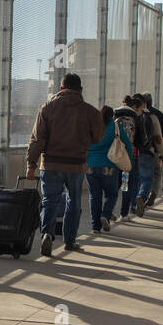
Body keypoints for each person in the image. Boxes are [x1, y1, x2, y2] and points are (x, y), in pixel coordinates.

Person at [26, 73, 103, 256]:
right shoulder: (90, 111)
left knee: (49, 201)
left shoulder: (47, 108)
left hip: (51, 163)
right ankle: (69, 241)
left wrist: (31, 164)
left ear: (60, 89)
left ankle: (47, 235)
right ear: (81, 90)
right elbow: (98, 137)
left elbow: (37, 139)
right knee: (74, 201)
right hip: (76, 165)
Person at [86, 105, 132, 232]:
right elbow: (127, 144)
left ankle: (95, 226)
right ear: (111, 116)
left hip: (89, 165)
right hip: (109, 165)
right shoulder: (115, 126)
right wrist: (129, 164)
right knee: (111, 194)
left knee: (94, 196)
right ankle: (105, 215)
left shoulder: (91, 125)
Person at [126, 94, 161, 218]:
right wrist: (161, 153)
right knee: (146, 178)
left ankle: (132, 206)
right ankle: (142, 196)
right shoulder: (150, 117)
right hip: (146, 151)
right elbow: (157, 137)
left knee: (133, 180)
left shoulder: (126, 117)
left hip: (131, 153)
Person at [142, 92, 163, 198]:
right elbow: (159, 137)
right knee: (157, 172)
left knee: (142, 175)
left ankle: (140, 196)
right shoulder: (156, 115)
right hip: (154, 150)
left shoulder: (136, 114)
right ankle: (152, 193)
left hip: (138, 150)